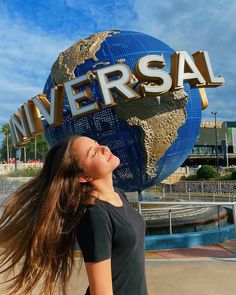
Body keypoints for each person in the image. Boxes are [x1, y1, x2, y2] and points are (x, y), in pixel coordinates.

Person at [0, 135, 148, 295]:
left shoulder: (119, 194)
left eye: (97, 144)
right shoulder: (95, 214)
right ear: (83, 177)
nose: (104, 148)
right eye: (93, 153)